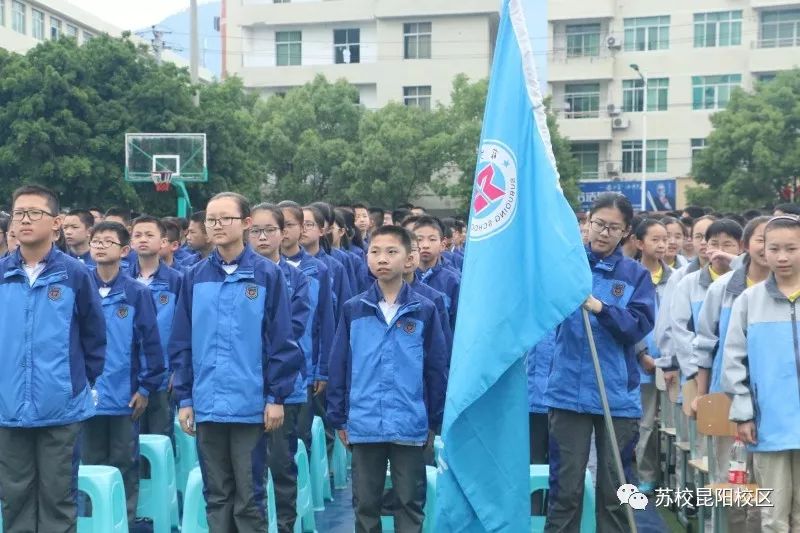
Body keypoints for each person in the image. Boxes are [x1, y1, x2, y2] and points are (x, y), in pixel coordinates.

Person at [171, 192, 302, 532]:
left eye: (225, 218)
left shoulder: (266, 275)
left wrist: (276, 397)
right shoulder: (194, 277)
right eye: (211, 220)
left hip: (250, 403)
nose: (216, 225)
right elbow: (182, 342)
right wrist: (185, 398)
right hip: (206, 401)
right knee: (217, 495)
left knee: (249, 496)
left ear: (245, 224)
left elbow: (281, 341)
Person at [543, 193, 655, 533]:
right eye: (598, 224)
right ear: (586, 224)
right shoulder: (567, 267)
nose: (604, 233)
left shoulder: (635, 275)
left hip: (616, 395)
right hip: (567, 392)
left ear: (625, 232)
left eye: (613, 227)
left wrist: (601, 309)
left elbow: (638, 325)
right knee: (565, 489)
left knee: (616, 488)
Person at [327, 225, 448, 533]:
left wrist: (434, 420)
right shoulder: (354, 309)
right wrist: (340, 417)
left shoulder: (425, 309)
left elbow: (436, 369)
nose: (382, 259)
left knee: (409, 502)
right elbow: (339, 365)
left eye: (392, 252)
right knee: (366, 504)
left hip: (410, 422)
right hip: (365, 422)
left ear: (409, 260)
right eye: (375, 251)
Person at [0, 184, 106, 532]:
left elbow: (94, 336)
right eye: (19, 214)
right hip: (8, 407)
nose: (25, 220)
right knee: (14, 498)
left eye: (35, 213)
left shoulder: (75, 274)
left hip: (60, 407)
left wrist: (77, 384)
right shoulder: (2, 273)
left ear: (56, 222)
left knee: (58, 498)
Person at [691, 216, 770, 532]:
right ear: (746, 245)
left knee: (766, 483)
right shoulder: (723, 289)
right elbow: (705, 344)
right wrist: (700, 396)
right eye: (762, 239)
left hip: (772, 401)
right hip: (727, 396)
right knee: (728, 479)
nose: (767, 248)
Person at [84, 221, 165, 525]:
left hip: (124, 395)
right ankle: (95, 523)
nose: (100, 245)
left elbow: (150, 343)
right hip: (86, 397)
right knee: (90, 465)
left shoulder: (136, 293)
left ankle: (123, 521)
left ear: (124, 251)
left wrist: (145, 388)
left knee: (123, 463)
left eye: (108, 241)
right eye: (96, 240)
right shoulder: (81, 287)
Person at [722, 214, 800, 533]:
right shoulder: (749, 301)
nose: (782, 257)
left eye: (792, 248)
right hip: (769, 425)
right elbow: (733, 362)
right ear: (761, 251)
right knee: (774, 517)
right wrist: (743, 413)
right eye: (775, 248)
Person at [249, 203, 312, 533]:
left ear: (283, 233)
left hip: (283, 385)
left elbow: (292, 330)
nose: (261, 237)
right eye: (255, 231)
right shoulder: (238, 272)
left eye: (269, 230)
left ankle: (285, 524)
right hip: (243, 385)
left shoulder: (295, 278)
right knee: (246, 469)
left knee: (280, 462)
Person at [129, 215, 183, 441]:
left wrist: (178, 370)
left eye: (149, 235)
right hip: (128, 375)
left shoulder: (178, 280)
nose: (143, 239)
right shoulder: (122, 280)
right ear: (130, 243)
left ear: (163, 242)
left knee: (160, 439)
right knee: (130, 441)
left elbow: (183, 330)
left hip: (164, 375)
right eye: (138, 235)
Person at [671, 219, 743, 382]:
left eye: (727, 245)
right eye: (714, 244)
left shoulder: (747, 281)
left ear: (740, 247)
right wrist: (696, 371)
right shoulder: (688, 283)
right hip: (699, 374)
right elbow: (681, 330)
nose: (720, 251)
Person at [632, 219, 671, 495]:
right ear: (638, 242)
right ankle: (645, 475)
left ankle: (674, 480)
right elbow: (627, 319)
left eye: (664, 239)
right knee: (644, 423)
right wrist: (642, 353)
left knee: (671, 426)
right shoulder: (631, 275)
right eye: (655, 239)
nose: (661, 244)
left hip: (672, 365)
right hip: (641, 364)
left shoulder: (678, 277)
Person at [413, 216, 461, 330]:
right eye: (419, 239)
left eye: (432, 239)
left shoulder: (453, 281)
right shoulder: (401, 278)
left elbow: (457, 324)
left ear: (443, 244)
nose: (425, 245)